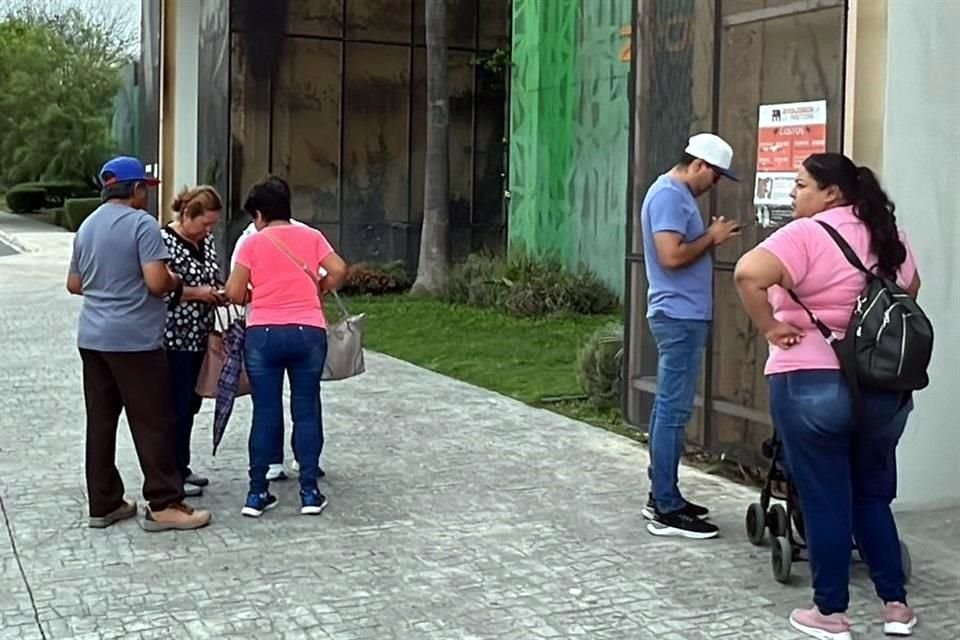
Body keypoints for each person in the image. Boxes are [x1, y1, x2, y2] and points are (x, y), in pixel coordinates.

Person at [734, 152, 920, 639]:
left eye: (800, 186)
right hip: (883, 390)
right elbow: (910, 292)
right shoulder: (888, 237)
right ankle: (896, 608)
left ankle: (830, 613)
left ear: (831, 193)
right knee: (871, 497)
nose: (794, 195)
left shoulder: (806, 235)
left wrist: (771, 326)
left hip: (812, 379)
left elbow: (748, 273)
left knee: (826, 498)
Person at [67, 156, 212, 532]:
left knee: (101, 422)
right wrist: (176, 282)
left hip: (93, 339)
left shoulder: (87, 226)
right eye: (146, 187)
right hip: (135, 342)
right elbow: (155, 282)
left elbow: (75, 284)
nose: (147, 194)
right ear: (135, 189)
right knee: (154, 422)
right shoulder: (141, 225)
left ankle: (104, 503)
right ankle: (164, 504)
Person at [225, 177, 347, 517]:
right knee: (306, 407)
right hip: (308, 330)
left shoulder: (252, 243)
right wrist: (318, 288)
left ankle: (256, 493)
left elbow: (234, 292)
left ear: (260, 214)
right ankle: (309, 491)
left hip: (262, 332)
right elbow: (339, 269)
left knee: (265, 411)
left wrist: (255, 293)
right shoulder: (311, 236)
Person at [639, 133, 741, 540]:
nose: (713, 186)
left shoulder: (675, 196)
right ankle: (666, 507)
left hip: (683, 316)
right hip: (677, 317)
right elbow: (671, 256)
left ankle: (664, 495)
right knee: (673, 411)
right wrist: (712, 239)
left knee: (670, 410)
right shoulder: (670, 195)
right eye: (715, 177)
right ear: (699, 165)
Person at [161, 185, 226, 497]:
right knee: (175, 405)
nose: (208, 230)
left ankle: (181, 464)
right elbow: (159, 287)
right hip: (174, 338)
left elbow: (212, 275)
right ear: (187, 215)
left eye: (213, 224)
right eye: (204, 224)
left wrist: (219, 291)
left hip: (201, 334)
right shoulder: (163, 241)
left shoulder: (207, 241)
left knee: (191, 403)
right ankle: (170, 472)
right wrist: (197, 293)